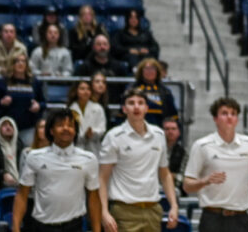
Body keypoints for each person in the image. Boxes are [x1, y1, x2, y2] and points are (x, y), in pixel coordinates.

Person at [99, 87, 179, 232]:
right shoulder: (113, 136)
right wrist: (104, 211)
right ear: (124, 109)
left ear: (146, 108)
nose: (136, 106)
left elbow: (165, 173)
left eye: (140, 102)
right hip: (123, 210)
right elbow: (102, 177)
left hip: (153, 209)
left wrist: (173, 205)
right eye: (131, 103)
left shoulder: (159, 134)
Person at [183, 98, 248, 232]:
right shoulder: (202, 145)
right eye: (224, 113)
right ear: (215, 119)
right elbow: (187, 185)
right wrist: (205, 181)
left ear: (237, 119)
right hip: (213, 218)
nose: (229, 117)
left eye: (233, 113)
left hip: (241, 218)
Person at [13, 109, 101, 232]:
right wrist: (16, 228)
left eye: (70, 125)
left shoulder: (88, 159)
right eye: (60, 125)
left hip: (74, 226)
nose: (66, 128)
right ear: (51, 131)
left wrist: (97, 230)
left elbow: (94, 197)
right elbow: (22, 195)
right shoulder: (34, 157)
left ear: (75, 131)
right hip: (41, 226)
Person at [0, 54, 44, 144]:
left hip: (28, 127)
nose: (20, 64)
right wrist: (2, 102)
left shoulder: (34, 82)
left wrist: (38, 106)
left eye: (23, 61)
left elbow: (43, 103)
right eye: (17, 61)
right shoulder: (2, 82)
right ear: (12, 64)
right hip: (7, 127)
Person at [133, 58, 179, 127]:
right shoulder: (133, 89)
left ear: (157, 71)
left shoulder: (165, 91)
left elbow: (172, 113)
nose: (149, 72)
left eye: (152, 69)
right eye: (146, 69)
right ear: (141, 71)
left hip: (159, 127)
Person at [69, 79, 107, 157]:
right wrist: (81, 135)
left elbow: (102, 129)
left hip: (93, 147)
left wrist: (92, 132)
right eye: (82, 89)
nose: (86, 91)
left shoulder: (98, 108)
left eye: (88, 89)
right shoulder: (69, 108)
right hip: (75, 146)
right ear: (76, 91)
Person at [163, 119, 187, 195]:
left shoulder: (184, 153)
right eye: (167, 129)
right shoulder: (155, 150)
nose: (170, 132)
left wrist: (167, 175)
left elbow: (184, 178)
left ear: (178, 132)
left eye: (173, 129)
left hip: (176, 190)